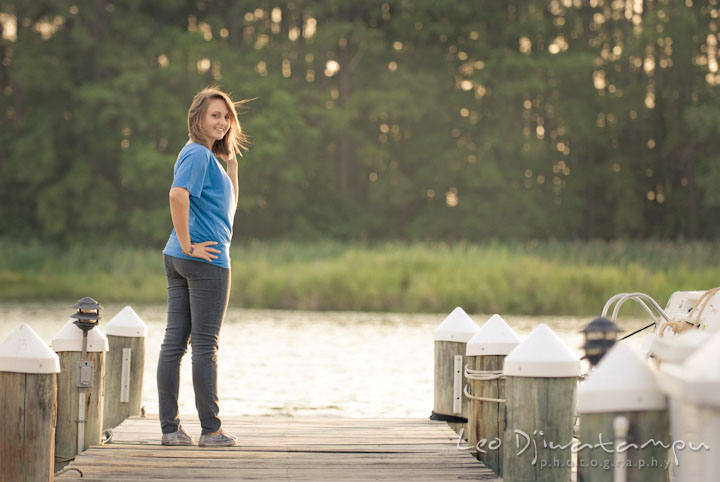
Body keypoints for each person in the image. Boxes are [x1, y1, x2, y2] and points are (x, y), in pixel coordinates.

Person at [157, 87, 249, 447]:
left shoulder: (204, 157)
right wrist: (188, 242)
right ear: (197, 118)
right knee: (204, 346)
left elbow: (228, 211)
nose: (223, 121)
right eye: (215, 115)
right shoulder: (196, 153)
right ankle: (211, 431)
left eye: (226, 117)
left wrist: (232, 168)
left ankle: (170, 430)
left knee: (174, 344)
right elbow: (177, 195)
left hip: (181, 259)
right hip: (203, 260)